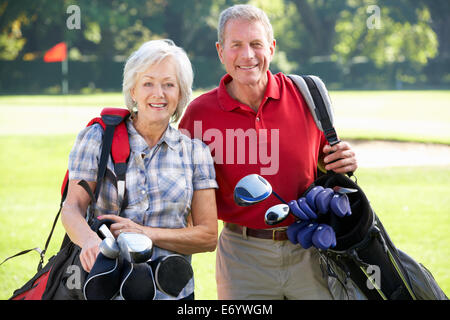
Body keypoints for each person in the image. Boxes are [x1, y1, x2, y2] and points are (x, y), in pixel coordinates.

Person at [178, 5, 358, 299]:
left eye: (256, 44)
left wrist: (345, 162)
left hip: (311, 248)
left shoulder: (307, 95)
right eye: (236, 45)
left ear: (271, 48)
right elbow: (179, 191)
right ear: (221, 51)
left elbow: (328, 170)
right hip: (242, 257)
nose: (247, 55)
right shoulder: (199, 114)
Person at [61, 39, 218, 300]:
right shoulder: (97, 138)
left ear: (180, 93)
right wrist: (89, 240)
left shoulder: (195, 152)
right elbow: (72, 207)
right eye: (148, 83)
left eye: (169, 84)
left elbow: (208, 236)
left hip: (172, 294)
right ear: (133, 90)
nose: (159, 93)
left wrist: (146, 234)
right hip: (107, 290)